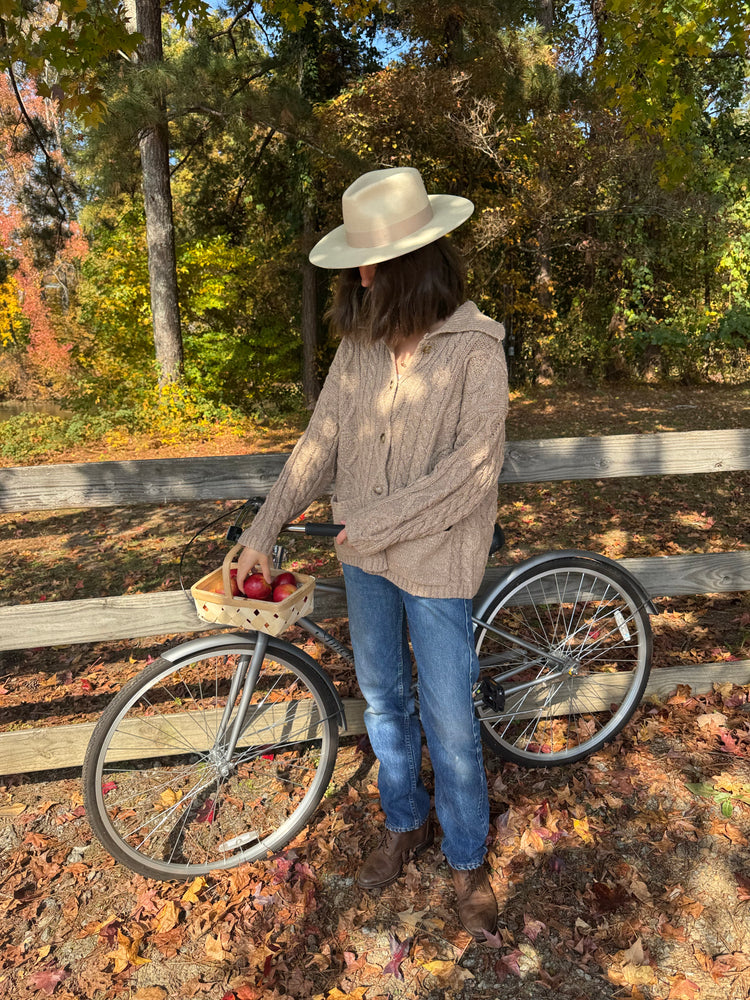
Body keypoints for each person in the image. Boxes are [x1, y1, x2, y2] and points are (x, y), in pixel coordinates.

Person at [235, 166, 509, 939]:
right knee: (384, 698)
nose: (359, 277)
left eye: (372, 263)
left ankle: (467, 858)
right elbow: (319, 444)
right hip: (364, 562)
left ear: (415, 263)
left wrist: (376, 521)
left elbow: (472, 474)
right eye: (357, 263)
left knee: (450, 718)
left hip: (436, 561)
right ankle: (405, 821)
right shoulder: (358, 349)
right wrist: (264, 527)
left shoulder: (476, 352)